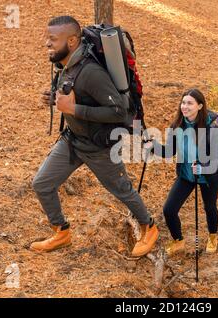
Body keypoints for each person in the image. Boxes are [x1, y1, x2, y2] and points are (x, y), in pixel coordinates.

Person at [30, 16, 158, 256]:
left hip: (99, 146)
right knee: (42, 183)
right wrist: (55, 100)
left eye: (53, 39)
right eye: (47, 38)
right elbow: (72, 97)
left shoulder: (90, 72)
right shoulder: (66, 65)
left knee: (121, 190)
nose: (47, 43)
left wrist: (73, 109)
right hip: (73, 140)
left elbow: (119, 111)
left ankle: (149, 227)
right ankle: (61, 232)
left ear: (72, 40)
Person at [145, 88, 218, 256]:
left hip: (208, 176)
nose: (185, 106)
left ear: (200, 106)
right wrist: (153, 146)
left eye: (190, 103)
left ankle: (212, 236)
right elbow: (169, 151)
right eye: (183, 102)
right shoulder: (177, 126)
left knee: (210, 207)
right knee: (169, 209)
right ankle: (178, 240)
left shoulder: (211, 127)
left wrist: (203, 168)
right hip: (187, 175)